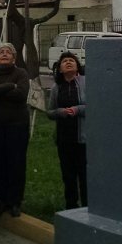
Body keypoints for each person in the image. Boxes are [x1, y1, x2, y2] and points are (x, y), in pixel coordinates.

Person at [0, 42, 30, 218]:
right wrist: (10, 86)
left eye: (8, 52)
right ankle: (3, 199)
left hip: (17, 126)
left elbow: (21, 95)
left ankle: (15, 201)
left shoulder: (21, 73)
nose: (4, 54)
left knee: (16, 163)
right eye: (1, 52)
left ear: (14, 57)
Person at [47, 52, 87, 210]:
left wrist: (77, 110)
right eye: (65, 61)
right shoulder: (57, 88)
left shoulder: (86, 83)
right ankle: (71, 206)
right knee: (68, 175)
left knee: (84, 175)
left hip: (83, 139)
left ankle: (87, 206)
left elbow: (96, 106)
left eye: (72, 60)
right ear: (60, 68)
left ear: (77, 66)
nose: (68, 62)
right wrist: (60, 112)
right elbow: (50, 112)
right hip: (64, 139)